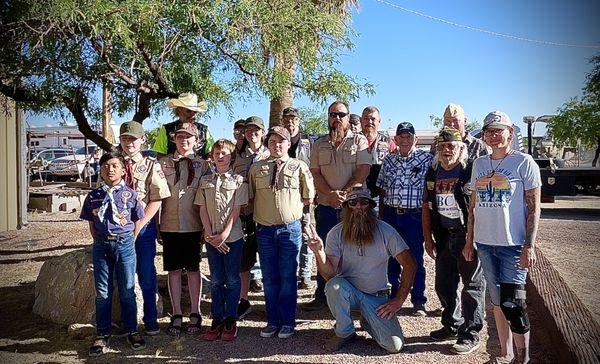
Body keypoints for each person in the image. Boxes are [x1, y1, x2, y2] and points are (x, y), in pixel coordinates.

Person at [463, 111, 541, 364]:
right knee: (497, 302)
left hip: (514, 244)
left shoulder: (523, 162)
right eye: (489, 131)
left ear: (510, 132)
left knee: (514, 304)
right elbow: (472, 206)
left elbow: (534, 206)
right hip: (486, 243)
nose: (494, 135)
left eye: (499, 130)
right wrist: (469, 240)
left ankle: (523, 357)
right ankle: (504, 353)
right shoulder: (480, 164)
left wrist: (529, 245)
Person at [307, 189, 416, 353]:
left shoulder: (386, 231)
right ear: (346, 207)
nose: (359, 206)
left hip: (376, 297)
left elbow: (410, 264)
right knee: (334, 286)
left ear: (371, 206)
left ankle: (368, 321)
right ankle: (345, 332)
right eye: (353, 203)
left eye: (364, 202)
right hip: (348, 293)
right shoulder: (336, 233)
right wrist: (319, 252)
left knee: (394, 346)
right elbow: (329, 275)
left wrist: (398, 300)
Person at [248, 126, 315, 338]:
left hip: (289, 230)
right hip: (265, 230)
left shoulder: (299, 167)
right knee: (269, 277)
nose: (277, 145)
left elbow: (308, 197)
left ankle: (288, 321)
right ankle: (272, 320)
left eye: (281, 141)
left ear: (288, 144)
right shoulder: (256, 168)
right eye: (273, 141)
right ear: (267, 143)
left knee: (287, 276)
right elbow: (250, 198)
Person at [422, 127, 485, 355]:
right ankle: (451, 323)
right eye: (442, 146)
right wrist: (427, 238)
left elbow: (477, 209)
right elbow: (426, 207)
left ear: (461, 148)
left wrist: (472, 239)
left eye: (451, 146)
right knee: (444, 283)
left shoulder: (470, 173)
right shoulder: (433, 173)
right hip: (443, 236)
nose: (446, 150)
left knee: (472, 286)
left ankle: (471, 333)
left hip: (467, 236)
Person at [303, 100, 371, 311]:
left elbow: (363, 170)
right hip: (326, 206)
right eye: (333, 115)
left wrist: (345, 194)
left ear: (348, 117)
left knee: (355, 252)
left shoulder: (359, 141)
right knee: (324, 251)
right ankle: (323, 296)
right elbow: (314, 174)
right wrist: (329, 194)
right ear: (328, 117)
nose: (337, 119)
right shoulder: (318, 144)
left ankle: (356, 300)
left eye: (341, 115)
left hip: (354, 208)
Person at [80, 150, 146, 356]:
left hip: (125, 245)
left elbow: (137, 221)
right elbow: (92, 225)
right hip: (101, 246)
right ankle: (102, 334)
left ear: (123, 171)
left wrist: (126, 239)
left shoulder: (130, 195)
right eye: (106, 166)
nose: (110, 169)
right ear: (100, 170)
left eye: (115, 165)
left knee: (127, 289)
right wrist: (101, 239)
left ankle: (132, 330)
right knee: (103, 292)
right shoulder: (93, 196)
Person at [118, 121, 171, 336]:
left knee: (146, 274)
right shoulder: (114, 163)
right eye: (125, 138)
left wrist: (139, 226)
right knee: (123, 276)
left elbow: (157, 198)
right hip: (119, 229)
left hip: (144, 228)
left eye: (133, 138)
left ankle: (150, 319)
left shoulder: (151, 164)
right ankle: (128, 322)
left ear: (142, 140)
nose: (129, 142)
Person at [158, 123, 211, 336]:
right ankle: (177, 313)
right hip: (170, 225)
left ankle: (196, 312)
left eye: (188, 137)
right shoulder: (162, 164)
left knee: (193, 269)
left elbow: (207, 198)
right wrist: (156, 226)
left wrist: (207, 228)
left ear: (196, 141)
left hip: (193, 225)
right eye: (180, 137)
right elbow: (157, 197)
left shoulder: (203, 166)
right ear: (174, 139)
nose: (184, 140)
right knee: (173, 270)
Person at [377, 122, 433, 316]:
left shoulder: (427, 159)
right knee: (392, 257)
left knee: (415, 257)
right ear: (396, 139)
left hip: (414, 216)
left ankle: (418, 300)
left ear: (415, 139)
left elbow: (430, 189)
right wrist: (382, 215)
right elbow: (382, 188)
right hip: (392, 215)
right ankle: (394, 294)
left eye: (409, 136)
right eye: (401, 136)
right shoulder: (389, 161)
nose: (405, 139)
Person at [197, 139, 248, 341]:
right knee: (217, 279)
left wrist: (224, 234)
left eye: (224, 153)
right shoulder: (205, 181)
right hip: (211, 238)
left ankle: (230, 318)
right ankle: (216, 318)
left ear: (231, 156)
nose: (220, 156)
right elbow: (202, 208)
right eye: (217, 153)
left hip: (232, 238)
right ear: (212, 156)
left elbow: (236, 210)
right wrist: (210, 234)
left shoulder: (238, 181)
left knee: (233, 279)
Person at [232, 116, 270, 318]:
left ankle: (270, 302)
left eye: (256, 130)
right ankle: (243, 300)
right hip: (245, 215)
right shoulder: (236, 156)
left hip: (265, 215)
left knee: (268, 260)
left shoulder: (271, 154)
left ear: (263, 133)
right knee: (244, 262)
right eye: (248, 130)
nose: (251, 133)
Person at [280, 106, 314, 289]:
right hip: (285, 197)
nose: (290, 123)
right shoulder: (277, 140)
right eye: (286, 120)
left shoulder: (309, 140)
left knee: (307, 232)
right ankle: (289, 272)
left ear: (298, 122)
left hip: (305, 195)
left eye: (293, 120)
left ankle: (306, 273)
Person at [152, 93, 214, 158]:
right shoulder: (166, 129)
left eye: (195, 112)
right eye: (189, 111)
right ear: (179, 110)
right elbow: (160, 154)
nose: (193, 115)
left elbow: (211, 154)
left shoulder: (204, 130)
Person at [360, 106, 395, 198]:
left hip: (380, 193)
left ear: (379, 121)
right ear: (361, 120)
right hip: (357, 193)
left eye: (373, 119)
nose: (369, 122)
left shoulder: (387, 142)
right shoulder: (352, 140)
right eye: (366, 119)